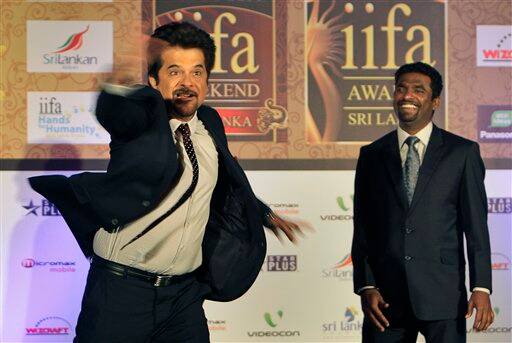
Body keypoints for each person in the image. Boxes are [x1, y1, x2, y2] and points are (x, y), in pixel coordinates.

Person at [29, 22, 301, 342]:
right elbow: (119, 114)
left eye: (197, 73)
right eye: (175, 72)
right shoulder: (143, 119)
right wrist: (115, 85)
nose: (187, 83)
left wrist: (263, 213)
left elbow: (223, 182)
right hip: (121, 293)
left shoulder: (210, 122)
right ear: (154, 81)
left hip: (182, 298)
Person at [351, 62, 493, 343]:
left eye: (418, 90)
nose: (407, 95)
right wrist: (366, 284)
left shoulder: (462, 153)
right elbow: (363, 227)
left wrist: (481, 287)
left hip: (443, 295)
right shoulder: (372, 154)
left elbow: (476, 226)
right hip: (385, 301)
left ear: (434, 101)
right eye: (401, 88)